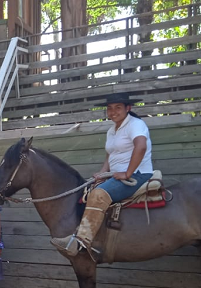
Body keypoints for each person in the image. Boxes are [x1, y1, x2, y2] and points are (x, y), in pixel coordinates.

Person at [51, 93, 154, 257]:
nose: (113, 112)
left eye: (118, 107)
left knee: (98, 195)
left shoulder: (135, 124)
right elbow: (110, 155)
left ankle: (82, 241)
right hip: (115, 175)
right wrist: (103, 172)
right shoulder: (112, 130)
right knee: (87, 192)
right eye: (109, 108)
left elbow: (140, 147)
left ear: (128, 108)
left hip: (138, 174)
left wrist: (127, 173)